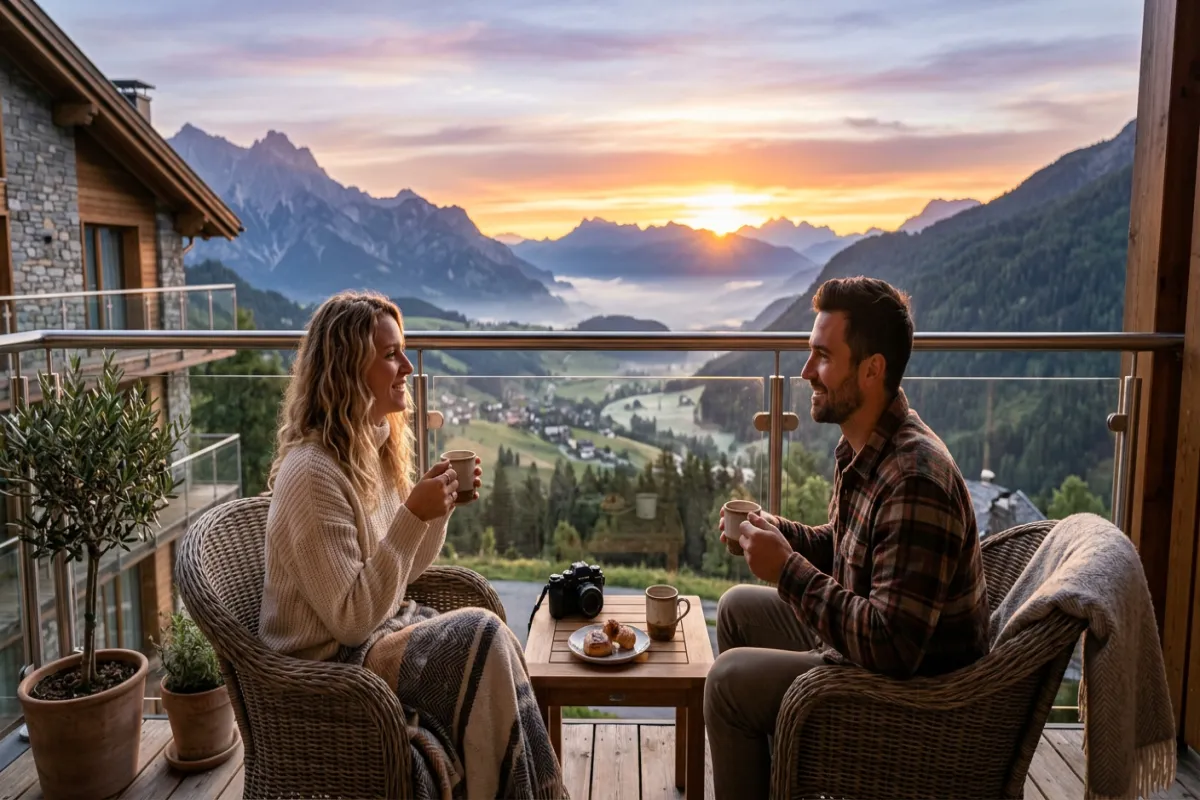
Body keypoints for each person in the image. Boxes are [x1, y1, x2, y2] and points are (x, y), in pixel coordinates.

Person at [258, 290, 564, 799]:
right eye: (390, 354)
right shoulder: (313, 474)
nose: (405, 366)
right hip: (328, 669)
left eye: (403, 350)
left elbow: (402, 571)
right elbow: (352, 617)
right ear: (347, 369)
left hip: (372, 637)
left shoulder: (370, 446)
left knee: (496, 641)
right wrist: (411, 516)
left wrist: (433, 513)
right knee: (482, 633)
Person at [706, 276, 988, 799]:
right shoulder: (866, 446)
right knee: (737, 607)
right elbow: (846, 550)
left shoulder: (915, 479)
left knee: (728, 684)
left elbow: (892, 645)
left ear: (872, 369)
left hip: (908, 702)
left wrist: (786, 568)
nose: (806, 371)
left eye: (822, 357)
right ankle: (778, 777)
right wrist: (773, 532)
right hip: (868, 655)